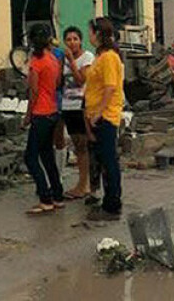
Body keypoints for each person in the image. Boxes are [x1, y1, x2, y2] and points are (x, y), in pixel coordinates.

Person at [84, 18, 124, 221]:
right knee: (104, 159)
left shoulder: (109, 57)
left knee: (109, 161)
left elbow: (110, 87)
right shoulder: (101, 57)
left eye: (90, 32)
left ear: (98, 34)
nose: (88, 36)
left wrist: (99, 111)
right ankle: (110, 201)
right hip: (97, 115)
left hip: (106, 116)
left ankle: (112, 204)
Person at [23, 24, 64, 214]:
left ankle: (45, 197)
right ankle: (57, 195)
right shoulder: (53, 59)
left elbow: (34, 92)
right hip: (53, 111)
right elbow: (56, 84)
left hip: (40, 112)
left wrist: (27, 116)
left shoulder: (36, 62)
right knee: (47, 156)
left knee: (31, 158)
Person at [60, 26, 95, 200]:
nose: (72, 42)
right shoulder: (64, 60)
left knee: (83, 146)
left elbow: (81, 80)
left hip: (81, 106)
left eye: (75, 39)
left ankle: (85, 184)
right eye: (68, 39)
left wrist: (72, 62)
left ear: (81, 41)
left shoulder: (87, 57)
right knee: (77, 146)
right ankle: (82, 183)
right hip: (67, 106)